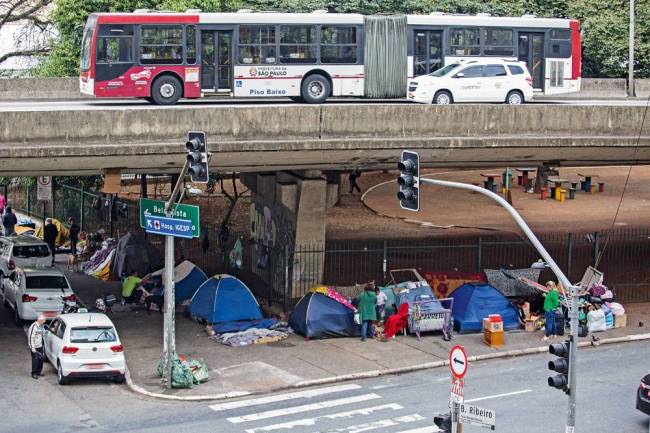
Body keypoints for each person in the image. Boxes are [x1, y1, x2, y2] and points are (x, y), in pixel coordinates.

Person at [28, 314, 46, 379]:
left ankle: (38, 372)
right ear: (40, 321)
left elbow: (44, 333)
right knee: (35, 360)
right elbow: (30, 337)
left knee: (41, 359)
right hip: (34, 347)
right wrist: (32, 347)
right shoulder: (34, 326)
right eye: (44, 320)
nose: (45, 321)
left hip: (40, 345)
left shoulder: (41, 326)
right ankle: (34, 373)